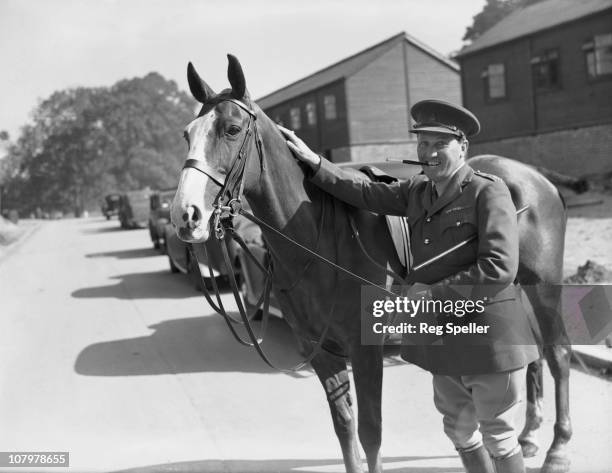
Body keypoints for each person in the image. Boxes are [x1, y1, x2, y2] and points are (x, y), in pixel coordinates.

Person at [279, 99, 539, 473]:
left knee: (498, 433)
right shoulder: (417, 192)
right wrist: (315, 162)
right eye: (422, 144)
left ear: (462, 147)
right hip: (443, 336)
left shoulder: (486, 191)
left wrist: (428, 297)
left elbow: (499, 268)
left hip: (487, 335)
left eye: (439, 144)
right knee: (459, 430)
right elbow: (364, 192)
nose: (428, 153)